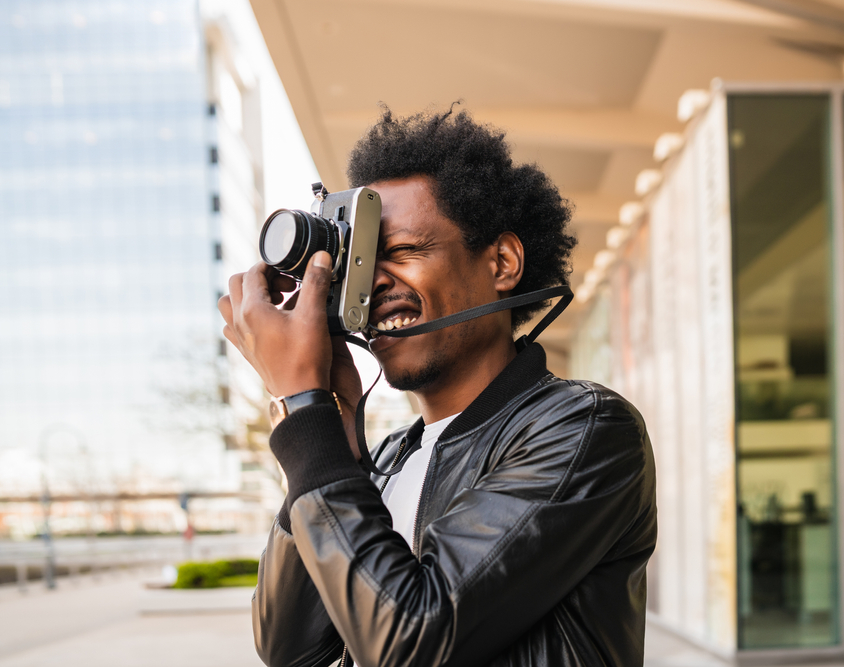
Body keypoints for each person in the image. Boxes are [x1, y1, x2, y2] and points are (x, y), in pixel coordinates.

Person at [219, 107, 657, 667]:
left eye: (401, 252)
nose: (372, 284)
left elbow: (411, 639)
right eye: (359, 263)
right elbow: (290, 646)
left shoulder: (584, 429)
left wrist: (302, 409)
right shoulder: (386, 459)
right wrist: (333, 432)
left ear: (501, 262)